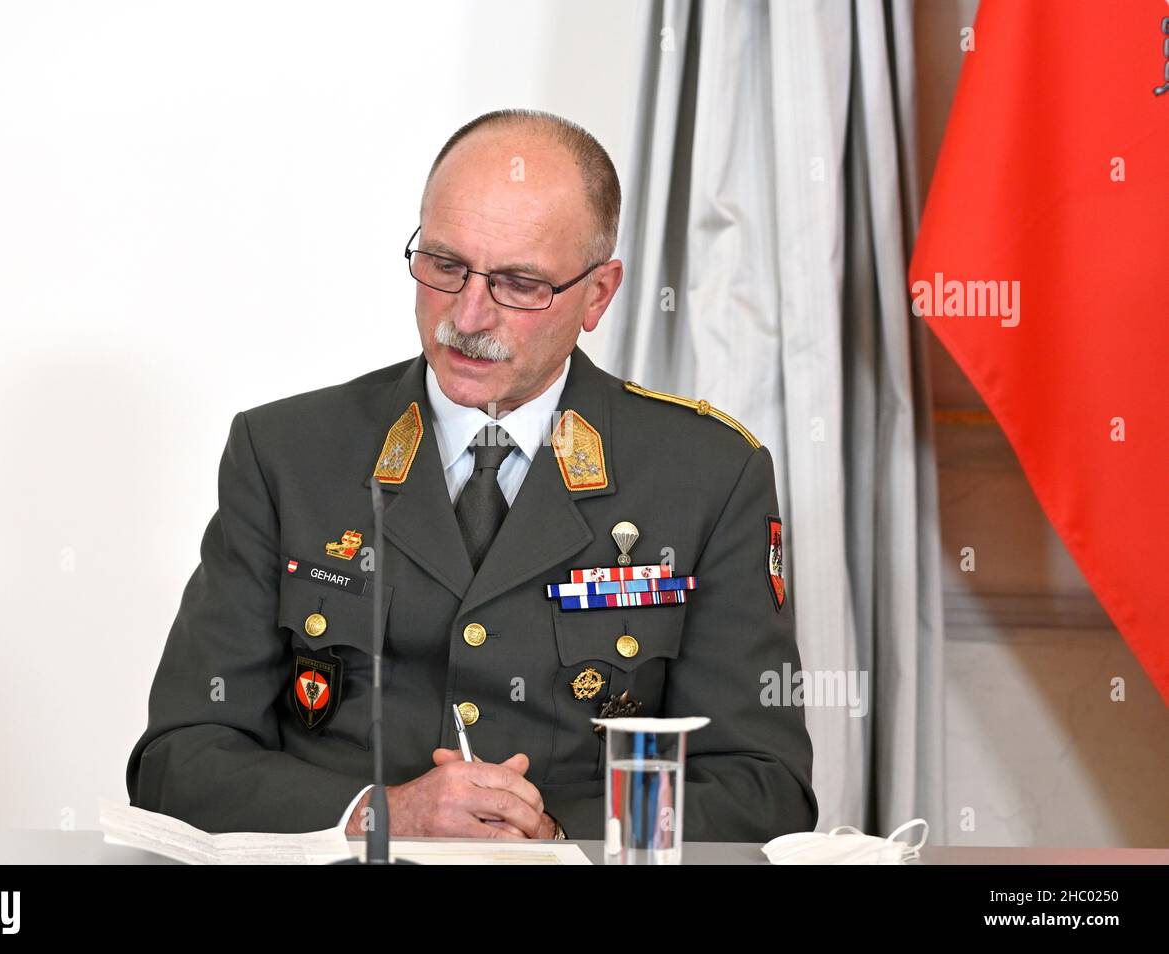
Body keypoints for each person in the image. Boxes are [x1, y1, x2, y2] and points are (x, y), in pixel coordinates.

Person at [126, 108, 817, 841]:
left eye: (519, 283)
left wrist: (548, 832)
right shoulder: (286, 454)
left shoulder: (707, 476)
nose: (469, 314)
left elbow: (764, 786)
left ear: (598, 294)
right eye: (445, 265)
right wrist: (376, 815)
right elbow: (179, 759)